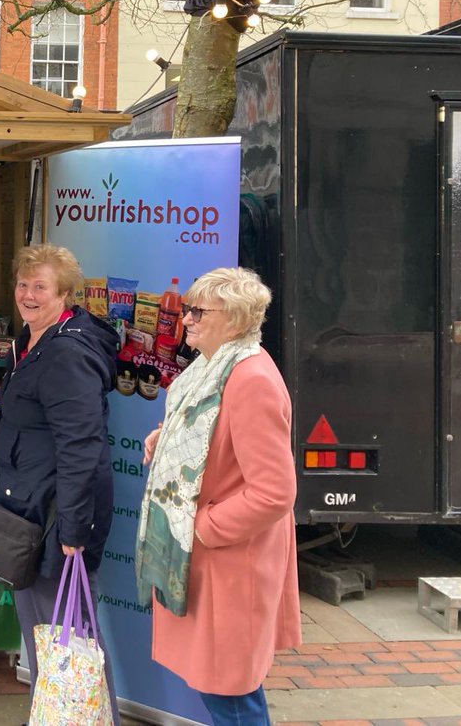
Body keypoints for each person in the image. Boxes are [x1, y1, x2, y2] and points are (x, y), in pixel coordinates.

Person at [136, 266, 300, 725]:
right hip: (212, 565)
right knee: (228, 691)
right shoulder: (214, 367)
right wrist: (164, 438)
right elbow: (211, 436)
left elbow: (274, 491)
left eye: (196, 311)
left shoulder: (250, 379)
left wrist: (200, 527)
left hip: (229, 565)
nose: (185, 319)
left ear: (234, 318)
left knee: (230, 696)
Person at [0, 244, 121, 722]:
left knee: (69, 646)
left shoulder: (65, 353)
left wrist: (72, 532)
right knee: (47, 643)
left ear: (64, 293)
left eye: (40, 286)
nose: (28, 294)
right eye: (23, 285)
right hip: (28, 511)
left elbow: (82, 446)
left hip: (55, 523)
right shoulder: (32, 342)